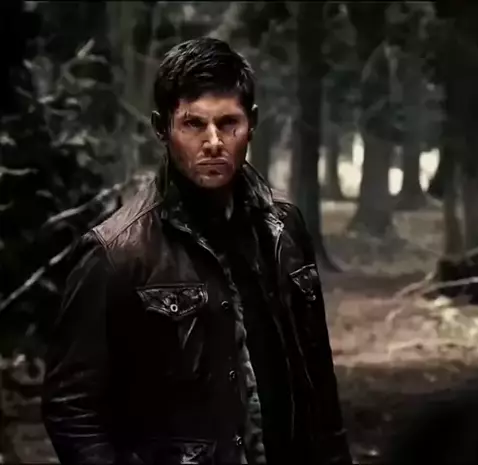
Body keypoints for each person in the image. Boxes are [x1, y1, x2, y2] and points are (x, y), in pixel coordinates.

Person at [41, 37, 352, 465]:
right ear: (162, 128)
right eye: (193, 124)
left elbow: (318, 380)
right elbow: (71, 409)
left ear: (252, 122)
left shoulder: (285, 229)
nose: (213, 142)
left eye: (228, 123)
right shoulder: (116, 252)